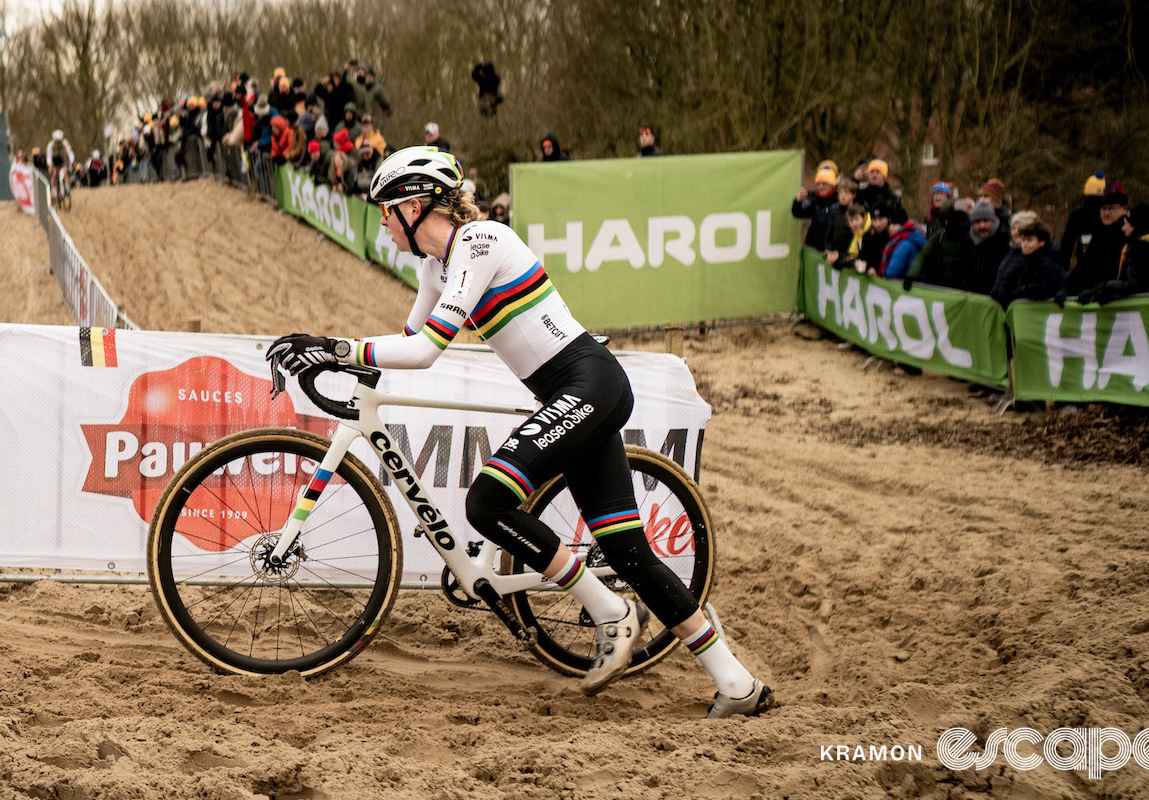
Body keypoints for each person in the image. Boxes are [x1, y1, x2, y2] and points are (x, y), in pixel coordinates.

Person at [264, 147, 773, 718]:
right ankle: (738, 683)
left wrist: (333, 347)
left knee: (487, 502)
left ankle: (609, 611)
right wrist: (328, 362)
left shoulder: (481, 243)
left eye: (385, 210)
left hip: (589, 385)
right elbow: (400, 348)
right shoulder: (436, 268)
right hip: (575, 394)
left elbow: (428, 350)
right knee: (629, 551)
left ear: (413, 206)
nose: (381, 223)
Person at [1064, 185, 1129, 297]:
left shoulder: (1127, 235)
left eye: (1111, 208)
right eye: (1104, 208)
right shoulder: (1099, 234)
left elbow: (1118, 270)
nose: (1106, 213)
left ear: (1124, 209)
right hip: (1094, 294)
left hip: (1113, 296)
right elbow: (1085, 264)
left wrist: (1100, 289)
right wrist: (1067, 287)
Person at [990, 221, 1064, 306]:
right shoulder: (1028, 259)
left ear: (1041, 242)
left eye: (1029, 240)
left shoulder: (1047, 262)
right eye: (1023, 240)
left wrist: (1018, 292)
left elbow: (1045, 289)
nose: (1024, 244)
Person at [1060, 172, 1109, 270]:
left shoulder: (1078, 214)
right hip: (1106, 263)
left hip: (1083, 259)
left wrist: (1064, 264)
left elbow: (1068, 241)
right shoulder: (1108, 213)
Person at [791, 161, 841, 250]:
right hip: (814, 249)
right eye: (818, 184)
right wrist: (798, 202)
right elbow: (798, 213)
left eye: (824, 184)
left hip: (833, 251)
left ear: (832, 185)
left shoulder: (840, 200)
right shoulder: (814, 201)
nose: (820, 187)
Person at [880, 205, 926, 280]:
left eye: (894, 224)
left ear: (902, 225)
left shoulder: (904, 244)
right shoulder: (907, 238)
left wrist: (883, 272)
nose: (891, 228)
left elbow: (892, 272)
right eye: (890, 224)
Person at [47, 129, 76, 196]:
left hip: (62, 159)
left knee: (66, 170)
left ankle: (67, 184)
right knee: (54, 173)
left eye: (59, 141)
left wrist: (72, 161)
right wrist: (50, 165)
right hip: (54, 159)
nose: (58, 143)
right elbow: (48, 157)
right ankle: (54, 191)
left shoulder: (65, 142)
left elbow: (70, 153)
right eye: (57, 142)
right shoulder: (50, 145)